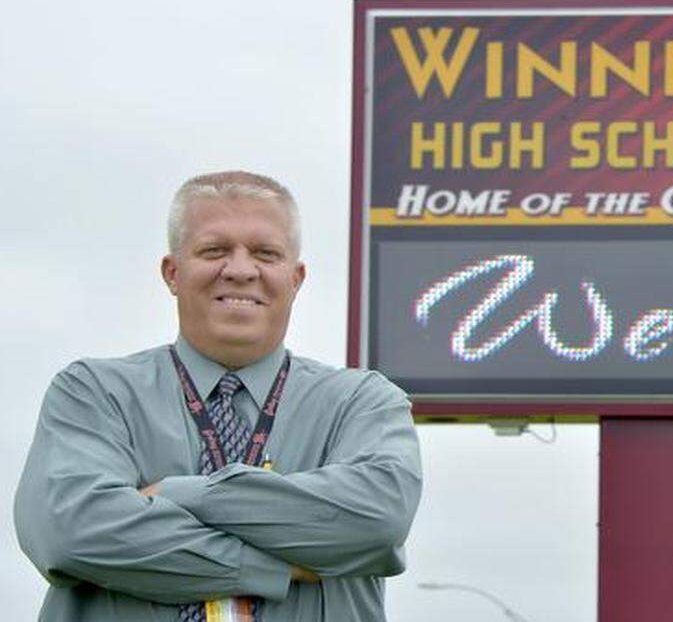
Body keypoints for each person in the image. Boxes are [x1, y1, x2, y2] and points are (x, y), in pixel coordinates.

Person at [14, 171, 422, 621]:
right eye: (215, 250)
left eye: (266, 253)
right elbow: (69, 533)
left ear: (296, 277)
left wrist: (181, 495)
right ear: (173, 272)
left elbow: (376, 522)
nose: (242, 270)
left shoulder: (361, 402)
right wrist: (270, 567)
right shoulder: (94, 393)